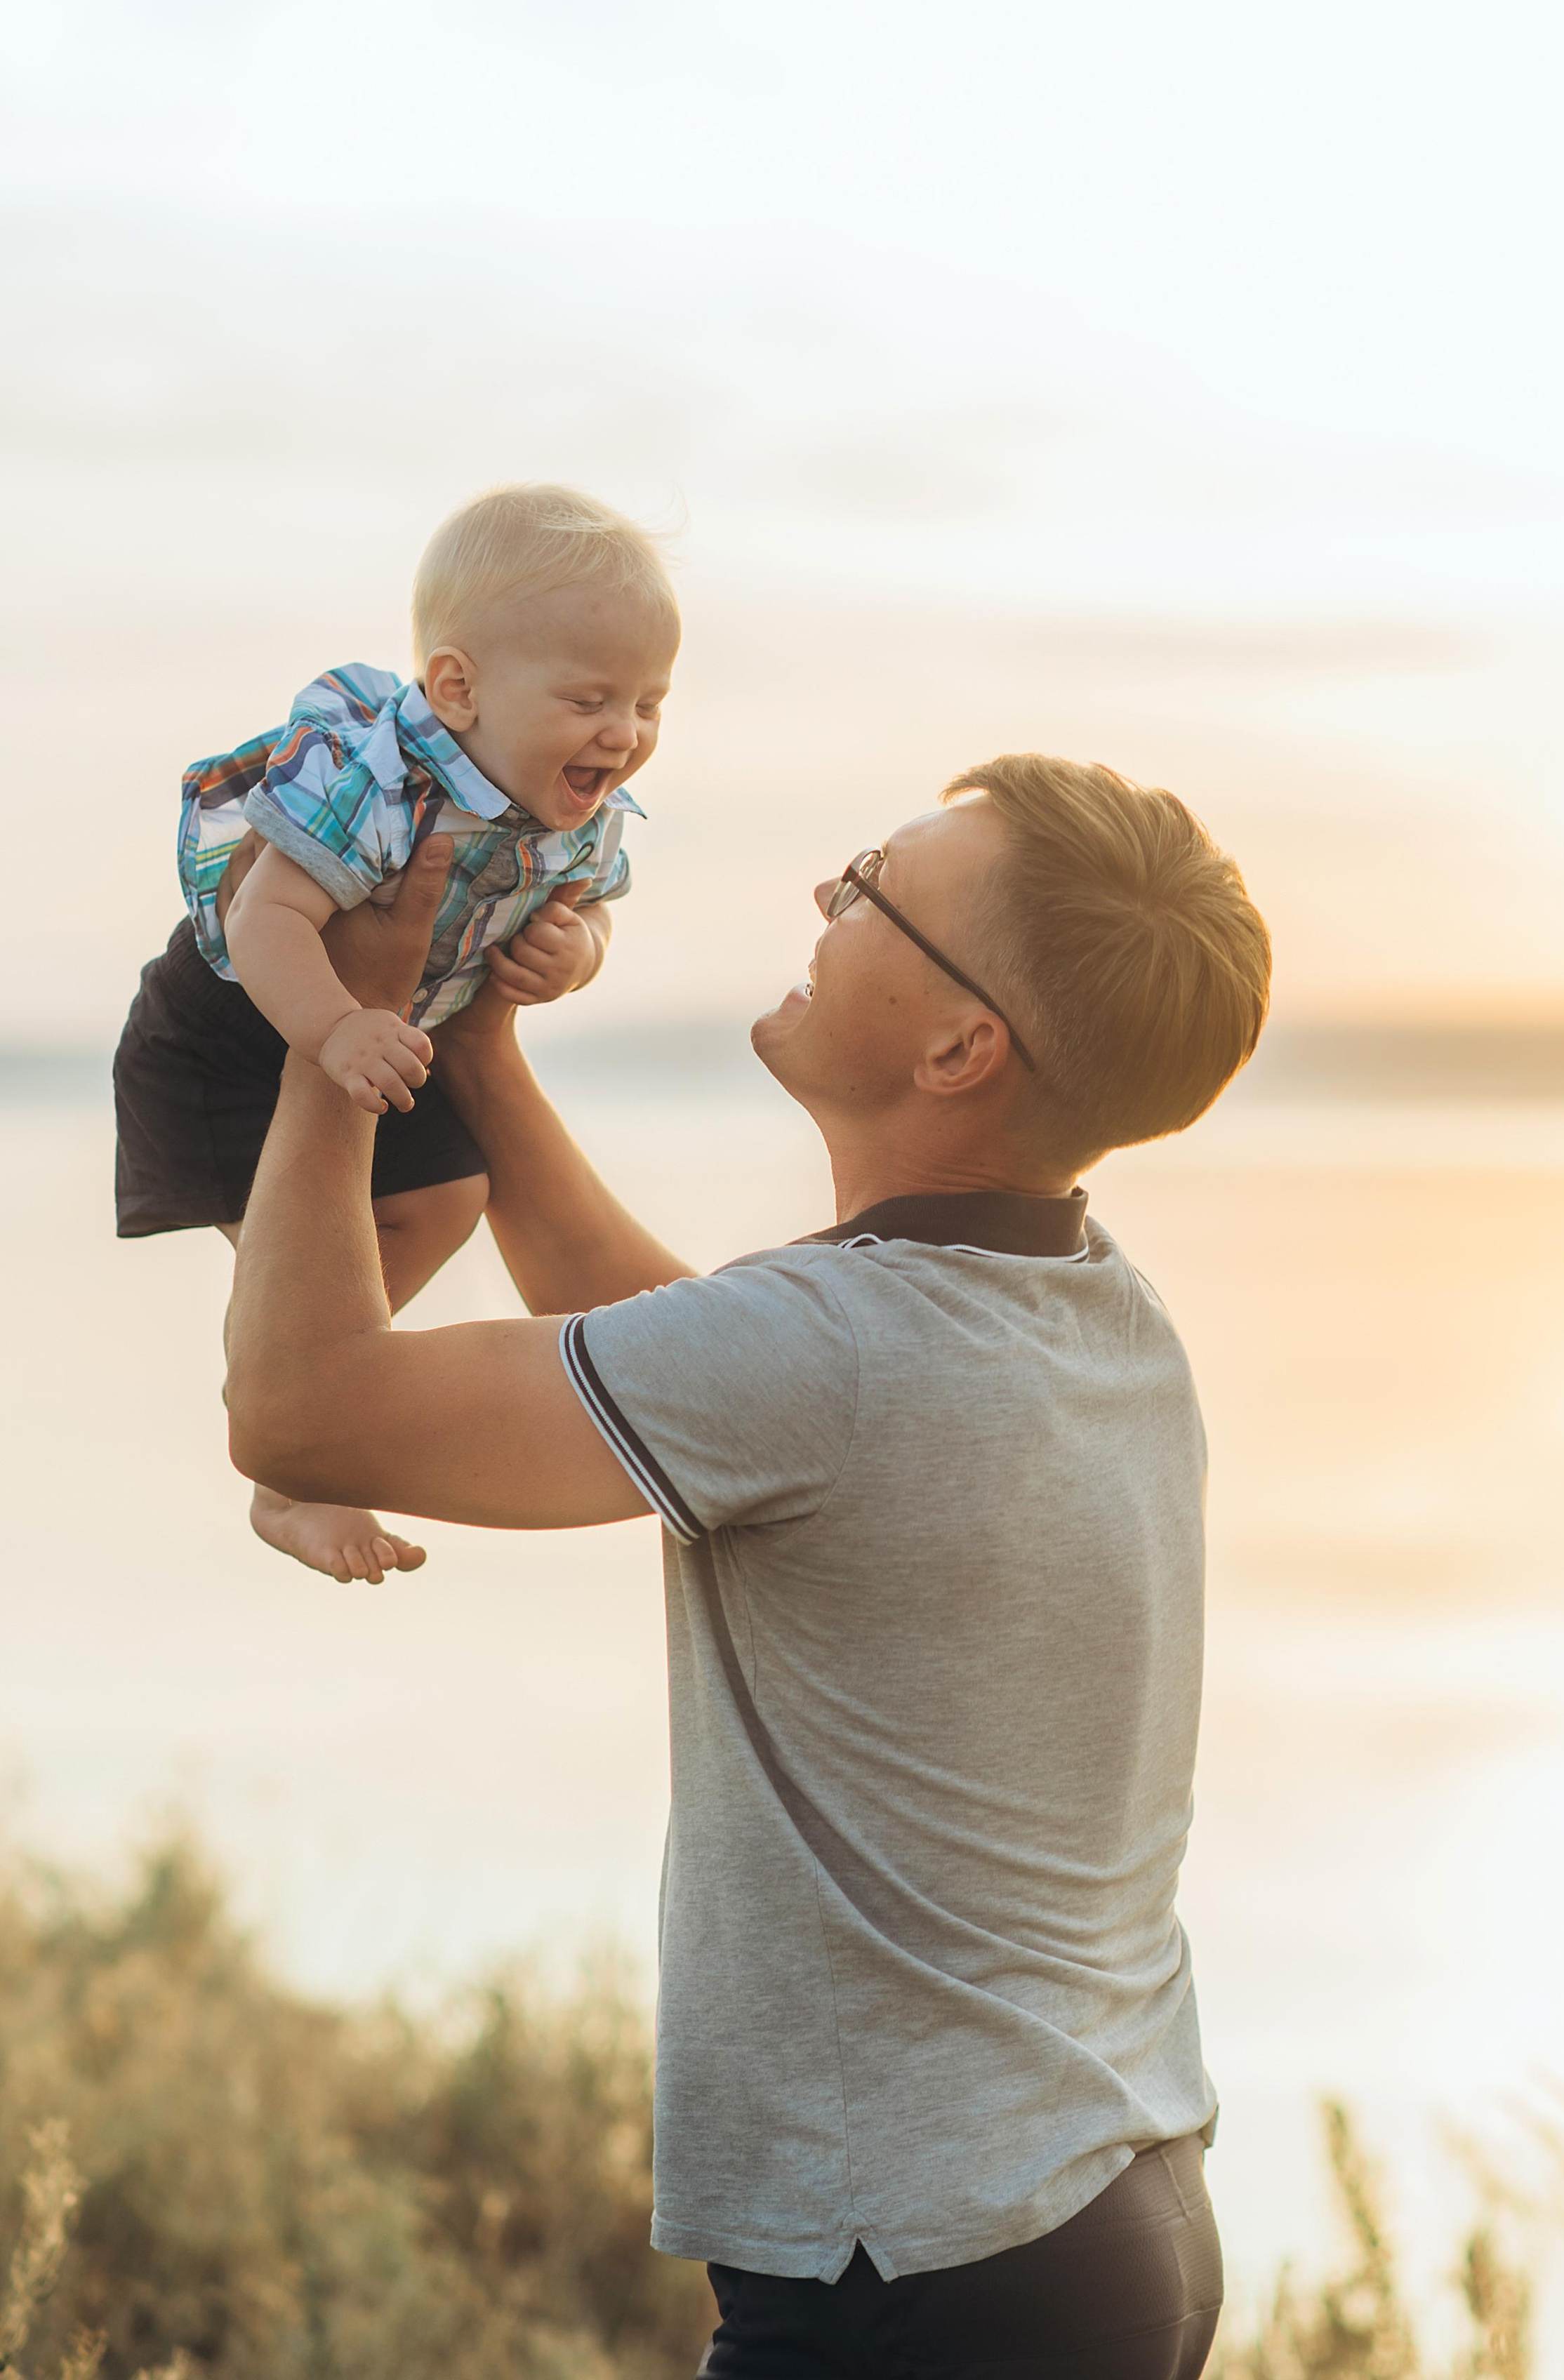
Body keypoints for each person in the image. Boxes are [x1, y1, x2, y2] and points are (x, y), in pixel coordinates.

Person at [224, 752, 1273, 2380]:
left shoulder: (827, 1355)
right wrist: (482, 1044)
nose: (822, 897)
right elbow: (670, 1350)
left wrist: (331, 1031)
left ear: (957, 1043)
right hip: (1100, 2208)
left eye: (871, 889)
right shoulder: (1083, 1299)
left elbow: (298, 1410)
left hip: (924, 2266)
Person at [112, 481, 680, 1585]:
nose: (626, 734)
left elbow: (596, 903)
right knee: (310, 1248)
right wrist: (331, 1031)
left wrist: (581, 954)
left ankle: (293, 1422)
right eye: (592, 699)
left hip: (380, 1027)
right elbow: (263, 910)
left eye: (651, 705)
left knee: (448, 1200)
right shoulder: (377, 778)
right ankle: (291, 1445)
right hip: (238, 1024)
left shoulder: (576, 813)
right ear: (458, 688)